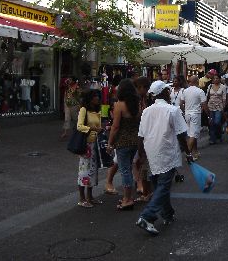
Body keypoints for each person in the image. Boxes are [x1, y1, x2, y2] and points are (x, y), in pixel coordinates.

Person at [136, 81, 194, 235]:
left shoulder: (146, 111)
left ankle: (168, 214)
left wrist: (140, 155)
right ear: (164, 93)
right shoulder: (173, 110)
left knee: (160, 186)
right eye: (168, 91)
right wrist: (188, 153)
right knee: (163, 187)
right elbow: (182, 135)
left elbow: (140, 137)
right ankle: (147, 216)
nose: (170, 93)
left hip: (151, 152)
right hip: (167, 152)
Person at [107, 79, 140, 210]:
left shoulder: (119, 105)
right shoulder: (137, 105)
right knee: (129, 169)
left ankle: (127, 199)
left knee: (125, 170)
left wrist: (110, 143)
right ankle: (128, 196)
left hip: (122, 141)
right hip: (135, 141)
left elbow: (115, 127)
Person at [76, 90, 103, 208]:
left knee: (93, 170)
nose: (97, 98)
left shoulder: (97, 111)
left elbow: (98, 126)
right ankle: (82, 198)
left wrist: (101, 129)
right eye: (95, 96)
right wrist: (92, 129)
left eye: (98, 96)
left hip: (94, 144)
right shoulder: (84, 110)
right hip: (86, 144)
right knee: (84, 171)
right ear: (90, 98)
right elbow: (79, 126)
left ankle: (90, 196)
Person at [181, 76, 207, 158]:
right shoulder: (200, 91)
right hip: (195, 114)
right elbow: (204, 104)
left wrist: (184, 111)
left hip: (187, 114)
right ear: (197, 81)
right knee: (193, 134)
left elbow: (181, 103)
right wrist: (208, 114)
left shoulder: (185, 91)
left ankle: (195, 152)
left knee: (191, 133)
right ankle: (188, 154)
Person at [206, 75, 227, 145]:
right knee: (211, 123)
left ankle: (219, 133)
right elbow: (207, 96)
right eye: (214, 78)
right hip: (210, 106)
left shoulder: (223, 87)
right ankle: (212, 138)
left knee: (217, 122)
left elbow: (224, 98)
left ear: (219, 79)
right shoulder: (210, 86)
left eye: (217, 78)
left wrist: (223, 108)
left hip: (219, 107)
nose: (215, 79)